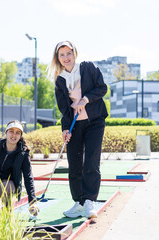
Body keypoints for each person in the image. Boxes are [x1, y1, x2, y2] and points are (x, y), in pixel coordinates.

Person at [48, 40, 108, 219]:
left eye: (69, 53)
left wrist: (86, 99)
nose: (66, 57)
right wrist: (65, 129)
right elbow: (64, 109)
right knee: (74, 165)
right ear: (57, 58)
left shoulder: (88, 67)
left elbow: (102, 88)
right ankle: (79, 202)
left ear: (74, 53)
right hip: (75, 124)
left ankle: (90, 202)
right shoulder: (60, 80)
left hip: (94, 121)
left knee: (91, 161)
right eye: (62, 55)